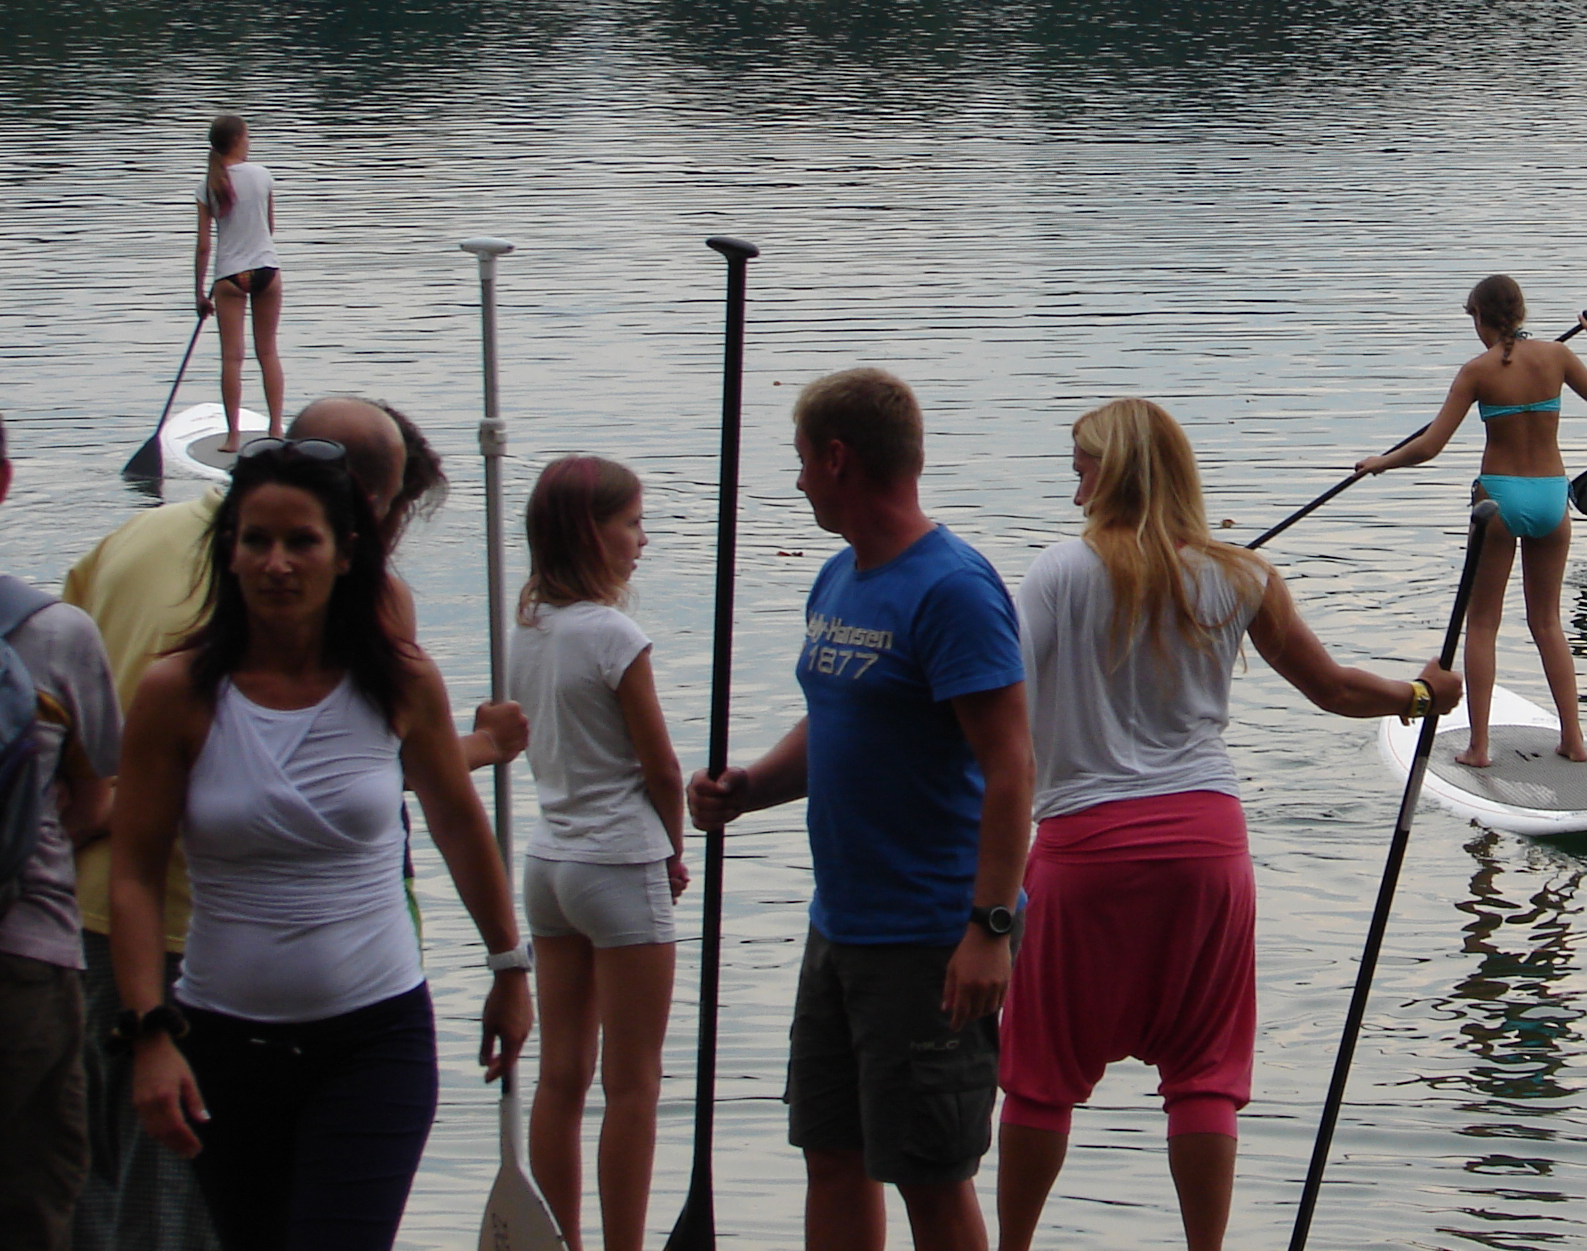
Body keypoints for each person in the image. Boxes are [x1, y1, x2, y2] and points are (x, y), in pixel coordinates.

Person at [995, 399, 1462, 1251]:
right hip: (1206, 851)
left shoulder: (1056, 575)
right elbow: (1335, 691)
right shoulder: (1241, 576)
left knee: (1039, 1079)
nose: (1075, 493)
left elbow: (999, 703)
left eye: (1081, 469)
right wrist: (1424, 694)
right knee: (1203, 1074)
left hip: (1083, 853)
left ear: (1120, 472)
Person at [64, 396, 524, 1251]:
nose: (277, 564)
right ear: (228, 553)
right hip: (219, 1038)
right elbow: (132, 870)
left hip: (374, 1036)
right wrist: (150, 1032)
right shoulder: (179, 692)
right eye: (256, 542)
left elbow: (460, 828)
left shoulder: (397, 679)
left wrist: (509, 964)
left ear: (348, 552)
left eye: (301, 542)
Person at [687, 369, 1030, 1251]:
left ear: (838, 459)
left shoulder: (953, 589)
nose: (798, 480)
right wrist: (751, 787)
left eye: (802, 461)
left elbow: (1011, 766)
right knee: (830, 1154)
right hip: (839, 928)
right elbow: (840, 717)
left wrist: (990, 927)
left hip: (929, 938)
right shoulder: (839, 579)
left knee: (929, 1174)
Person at [509, 457, 685, 1251]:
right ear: (593, 533)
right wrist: (675, 848)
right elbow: (662, 766)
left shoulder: (526, 629)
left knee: (560, 1076)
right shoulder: (614, 634)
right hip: (619, 862)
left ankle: (560, 1242)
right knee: (633, 1084)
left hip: (548, 864)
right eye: (632, 524)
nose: (642, 541)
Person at [1355, 278, 1587, 768]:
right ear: (1521, 314)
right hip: (1550, 498)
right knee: (1548, 623)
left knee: (1482, 625)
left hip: (1498, 500)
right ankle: (1574, 739)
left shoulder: (1475, 372)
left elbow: (1431, 446)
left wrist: (1382, 461)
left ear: (1479, 317)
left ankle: (1478, 748)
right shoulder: (1555, 358)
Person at [0, 412, 124, 1251]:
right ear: (5, 481)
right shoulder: (52, 636)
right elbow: (99, 795)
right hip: (27, 955)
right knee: (40, 1200)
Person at [192, 118, 283, 456]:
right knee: (268, 352)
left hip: (229, 277)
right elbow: (269, 227)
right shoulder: (262, 175)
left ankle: (232, 438)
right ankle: (275, 428)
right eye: (247, 137)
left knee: (232, 358)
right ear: (238, 141)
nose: (250, 142)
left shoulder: (207, 185)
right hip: (267, 270)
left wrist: (200, 293)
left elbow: (204, 246)